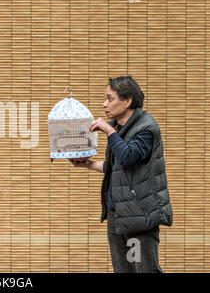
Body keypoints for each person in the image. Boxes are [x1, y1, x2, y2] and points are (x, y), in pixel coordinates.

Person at [70, 75, 173, 273]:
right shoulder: (119, 128)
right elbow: (117, 168)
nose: (104, 104)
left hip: (138, 216)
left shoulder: (146, 128)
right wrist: (86, 164)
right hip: (117, 214)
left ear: (127, 101)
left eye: (110, 98)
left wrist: (109, 131)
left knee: (145, 270)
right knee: (123, 270)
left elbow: (127, 157)